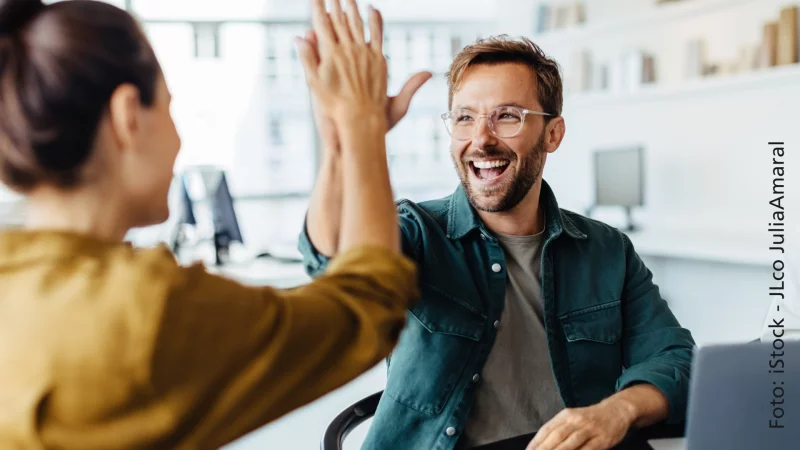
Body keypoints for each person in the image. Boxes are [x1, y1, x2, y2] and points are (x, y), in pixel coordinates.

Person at [0, 0, 419, 448]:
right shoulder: (144, 309)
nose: (179, 139)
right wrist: (362, 124)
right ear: (128, 116)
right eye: (168, 108)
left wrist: (340, 145)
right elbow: (366, 308)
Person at [299, 35, 697, 450]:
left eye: (507, 116)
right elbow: (332, 259)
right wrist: (344, 143)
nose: (482, 138)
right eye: (465, 118)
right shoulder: (417, 232)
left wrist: (618, 409)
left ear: (552, 134)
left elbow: (677, 360)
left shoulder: (607, 250)